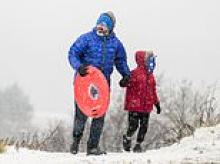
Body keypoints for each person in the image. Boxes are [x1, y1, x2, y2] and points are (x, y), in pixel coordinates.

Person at [68, 11, 131, 155]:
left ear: (110, 27)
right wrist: (79, 67)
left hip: (102, 86)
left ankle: (92, 147)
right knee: (81, 114)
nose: (100, 27)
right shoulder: (87, 39)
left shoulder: (116, 44)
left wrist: (125, 75)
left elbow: (120, 61)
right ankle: (76, 142)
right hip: (84, 83)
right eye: (99, 23)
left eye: (104, 24)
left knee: (99, 115)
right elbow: (73, 53)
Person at [120, 50, 161, 153]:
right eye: (148, 60)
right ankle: (128, 138)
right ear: (142, 60)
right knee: (133, 126)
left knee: (144, 127)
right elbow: (124, 83)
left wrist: (156, 103)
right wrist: (124, 81)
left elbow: (153, 91)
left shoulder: (151, 76)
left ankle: (138, 144)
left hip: (147, 106)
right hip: (134, 106)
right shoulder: (134, 73)